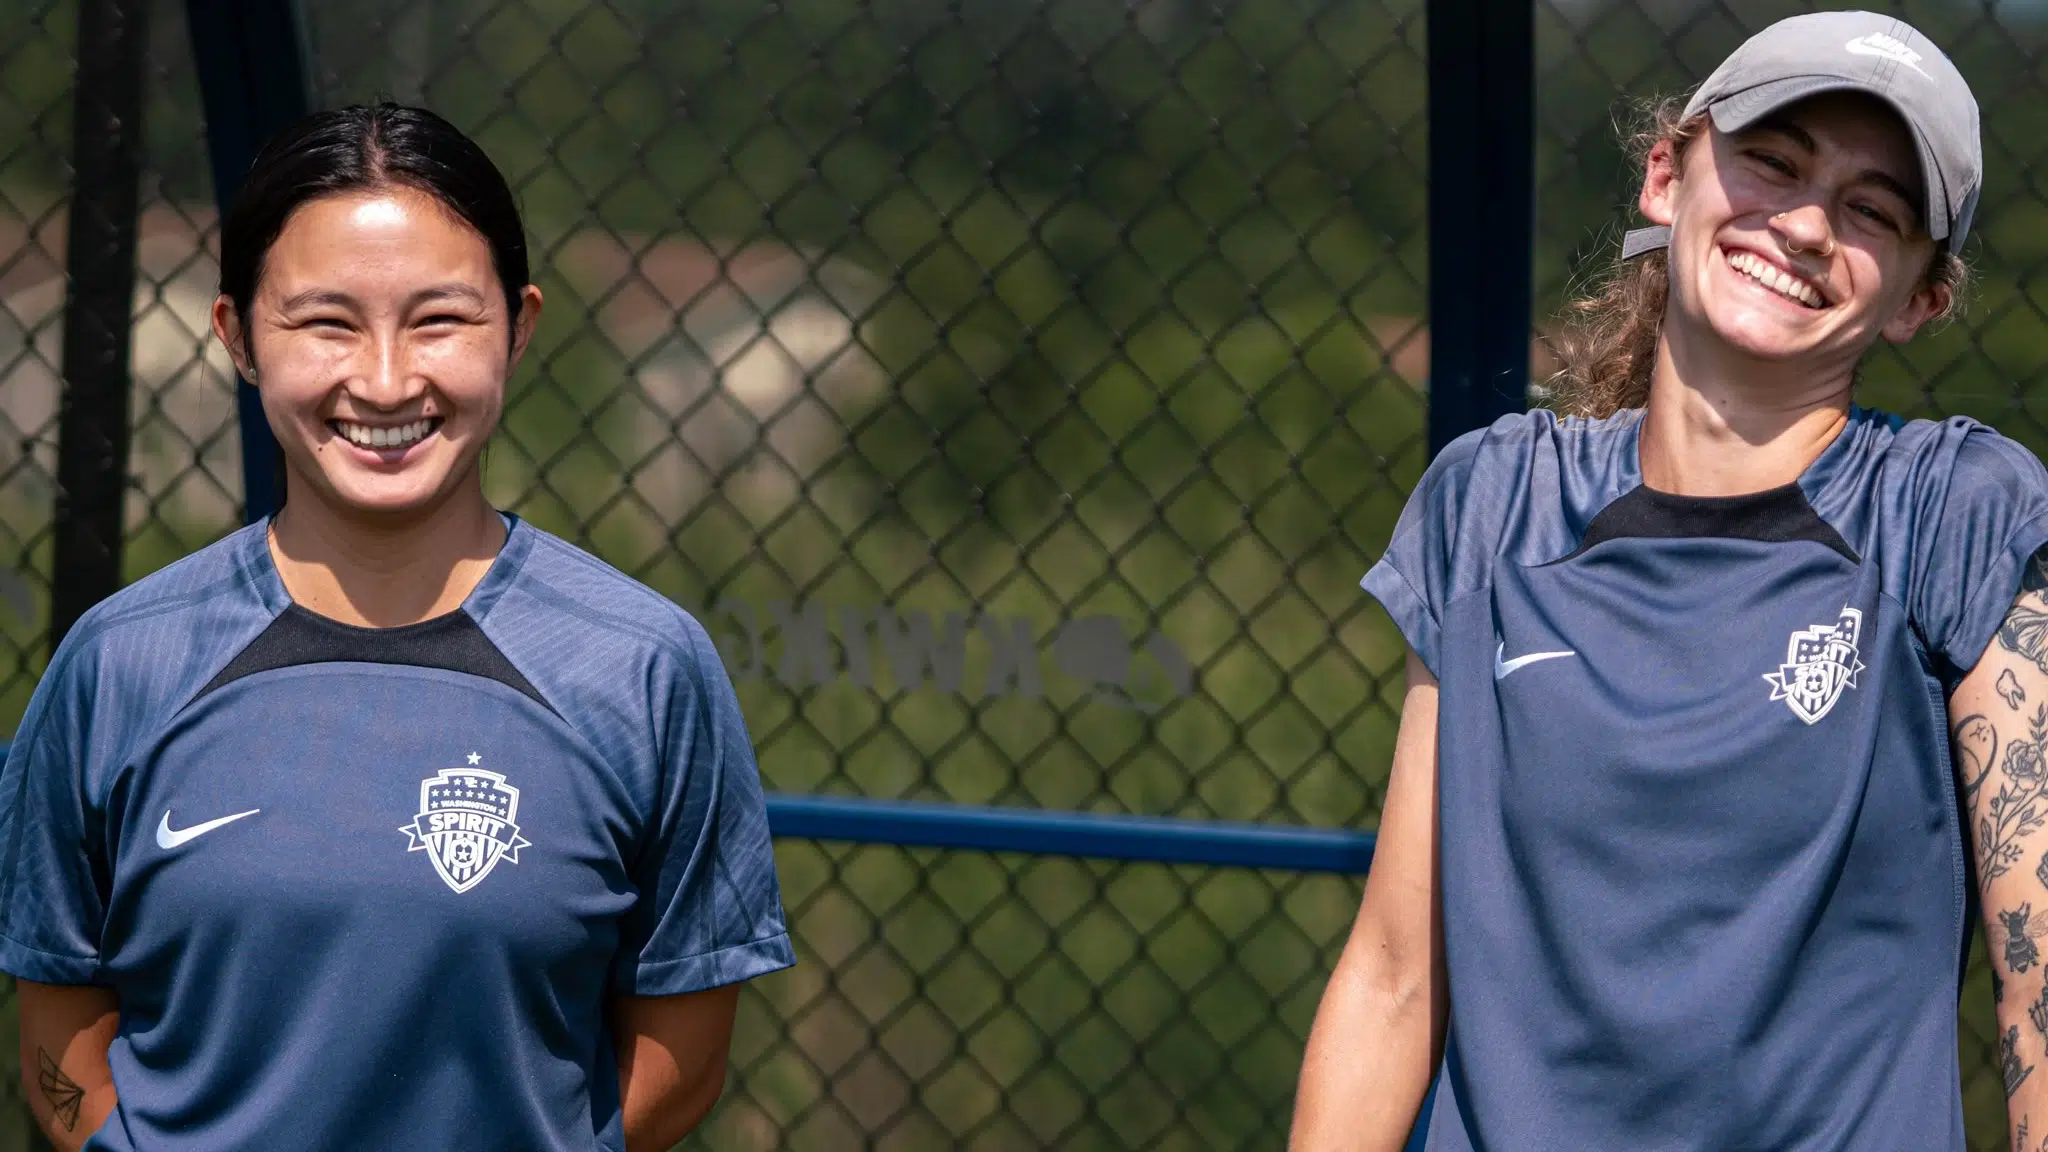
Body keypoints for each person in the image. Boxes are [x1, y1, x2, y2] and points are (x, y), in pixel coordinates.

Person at [1290, 11, 2048, 1151]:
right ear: (1664, 175)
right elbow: (1395, 974)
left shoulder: (1951, 510)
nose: (1799, 225)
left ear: (1914, 298)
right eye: (1770, 162)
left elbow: (2035, 988)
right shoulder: (1491, 504)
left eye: (1868, 211)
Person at [0, 103, 795, 1151]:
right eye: (327, 322)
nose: (383, 380)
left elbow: (681, 1057)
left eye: (439, 320)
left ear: (519, 326)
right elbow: (57, 1023)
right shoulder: (120, 662)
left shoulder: (643, 667)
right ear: (238, 336)